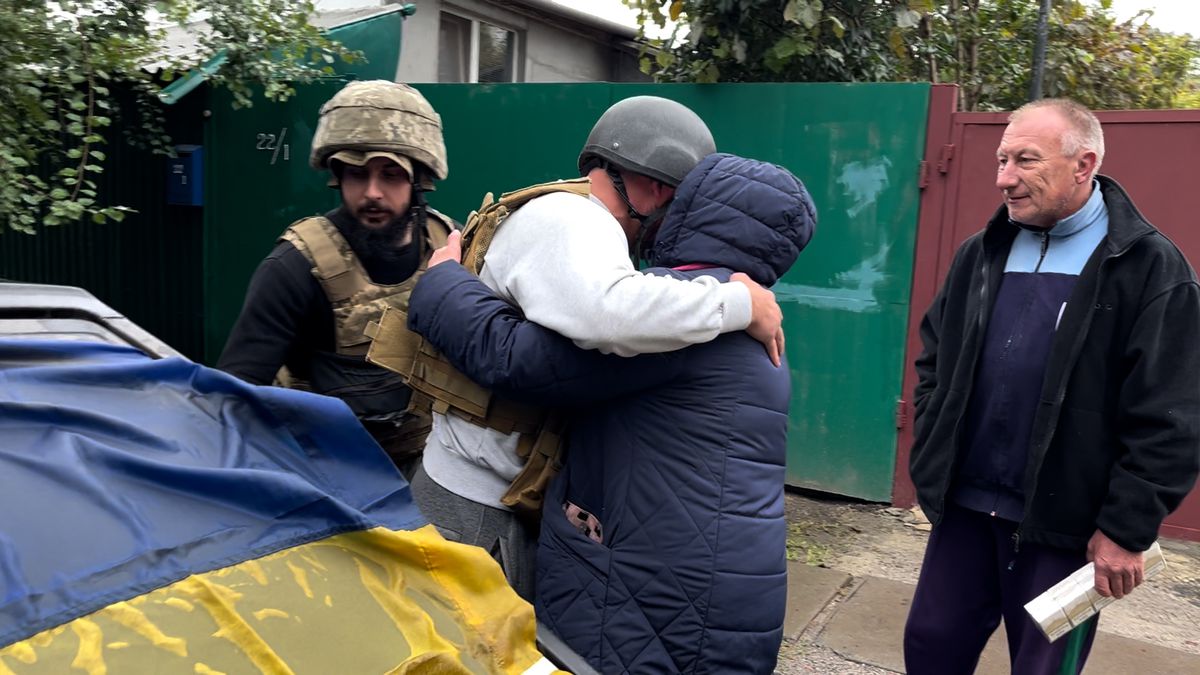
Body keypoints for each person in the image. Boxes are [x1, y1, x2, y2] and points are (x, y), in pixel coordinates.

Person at [405, 151, 816, 673]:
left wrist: (441, 283)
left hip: (656, 603)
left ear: (691, 211)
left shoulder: (680, 322)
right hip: (733, 591)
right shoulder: (752, 326)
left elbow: (517, 358)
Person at [904, 98, 1200, 674]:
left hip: (1063, 527)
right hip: (965, 510)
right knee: (931, 645)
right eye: (1001, 160)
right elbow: (935, 358)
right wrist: (933, 444)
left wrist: (1125, 528)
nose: (1004, 179)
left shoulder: (1149, 267)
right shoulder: (982, 253)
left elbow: (1173, 413)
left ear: (1084, 165)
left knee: (1043, 668)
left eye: (1025, 161)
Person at [218, 80, 455, 479]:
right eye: (357, 174)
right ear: (338, 178)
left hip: (425, 463)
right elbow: (234, 399)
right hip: (322, 468)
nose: (372, 192)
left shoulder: (447, 246)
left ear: (418, 180)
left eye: (390, 174)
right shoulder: (296, 266)